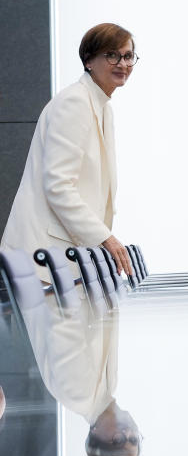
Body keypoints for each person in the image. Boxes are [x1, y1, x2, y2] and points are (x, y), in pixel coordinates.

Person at [1, 22, 137, 277]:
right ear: (88, 60)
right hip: (41, 257)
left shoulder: (103, 107)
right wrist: (105, 238)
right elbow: (58, 185)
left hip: (63, 257)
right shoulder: (75, 102)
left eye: (128, 56)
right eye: (112, 55)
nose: (123, 63)